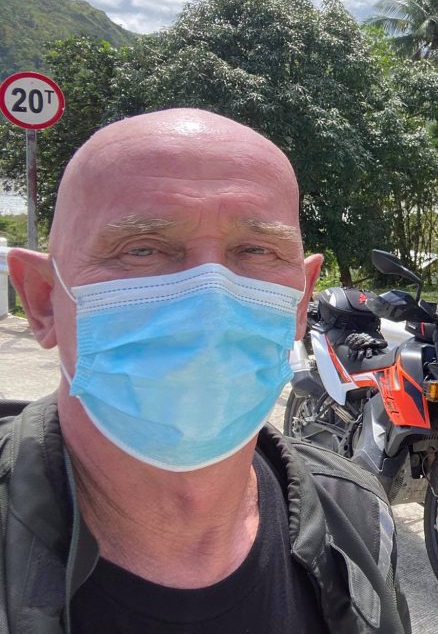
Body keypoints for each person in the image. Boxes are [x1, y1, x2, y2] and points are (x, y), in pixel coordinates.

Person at [2, 109, 411, 633]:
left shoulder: (357, 512)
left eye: (256, 250)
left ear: (300, 299)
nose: (210, 304)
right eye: (142, 249)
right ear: (42, 299)